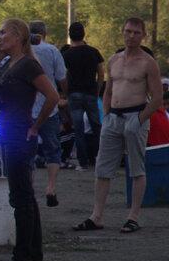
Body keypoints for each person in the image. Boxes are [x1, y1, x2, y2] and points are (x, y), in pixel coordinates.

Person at [0, 18, 59, 261]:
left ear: (16, 36)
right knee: (24, 195)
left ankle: (23, 255)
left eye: (2, 34)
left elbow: (53, 96)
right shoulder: (7, 63)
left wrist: (36, 125)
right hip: (6, 133)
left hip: (20, 134)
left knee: (20, 197)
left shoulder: (28, 65)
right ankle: (33, 253)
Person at [73, 17, 161, 235]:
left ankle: (133, 216)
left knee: (136, 167)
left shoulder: (148, 62)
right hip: (114, 117)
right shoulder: (114, 60)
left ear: (143, 35)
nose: (131, 36)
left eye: (136, 33)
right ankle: (97, 215)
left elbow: (157, 98)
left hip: (135, 115)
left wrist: (140, 119)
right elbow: (108, 90)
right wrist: (106, 116)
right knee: (103, 167)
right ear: (122, 31)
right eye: (128, 32)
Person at [28, 20, 68, 206]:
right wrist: (63, 94)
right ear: (45, 33)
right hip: (49, 106)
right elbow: (61, 76)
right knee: (53, 151)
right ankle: (51, 188)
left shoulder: (22, 50)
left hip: (28, 107)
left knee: (28, 150)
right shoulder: (52, 50)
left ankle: (29, 188)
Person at [61, 21, 104, 169]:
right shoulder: (94, 52)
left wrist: (66, 93)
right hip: (91, 93)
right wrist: (97, 91)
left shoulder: (67, 55)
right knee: (97, 127)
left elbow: (63, 76)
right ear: (84, 34)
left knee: (78, 130)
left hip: (74, 94)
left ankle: (83, 162)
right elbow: (101, 73)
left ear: (70, 35)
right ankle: (100, 158)